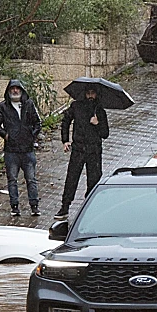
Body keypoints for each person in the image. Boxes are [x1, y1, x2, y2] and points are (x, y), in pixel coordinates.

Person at [54, 85, 109, 220]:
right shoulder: (76, 106)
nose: (90, 96)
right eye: (88, 93)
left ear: (96, 95)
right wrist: (65, 140)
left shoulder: (100, 111)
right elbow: (66, 121)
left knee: (94, 179)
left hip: (94, 150)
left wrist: (98, 123)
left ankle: (89, 206)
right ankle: (65, 206)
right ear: (84, 94)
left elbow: (105, 133)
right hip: (78, 148)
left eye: (93, 93)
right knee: (72, 178)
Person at [0, 79, 42, 217]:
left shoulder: (29, 105)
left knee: (31, 179)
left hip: (27, 150)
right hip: (11, 150)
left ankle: (34, 206)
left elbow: (37, 123)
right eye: (12, 88)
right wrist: (5, 135)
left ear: (21, 90)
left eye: (17, 88)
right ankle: (14, 206)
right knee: (12, 179)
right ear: (8, 91)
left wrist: (32, 136)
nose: (15, 91)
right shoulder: (3, 106)